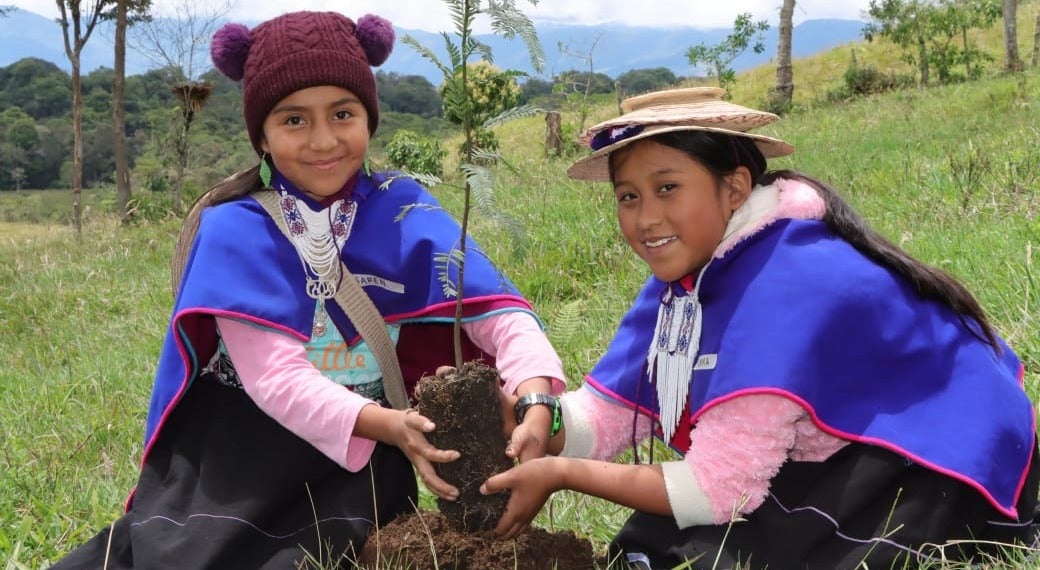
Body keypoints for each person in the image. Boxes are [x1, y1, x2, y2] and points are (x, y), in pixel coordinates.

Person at [51, 9, 565, 569]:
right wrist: (393, 426)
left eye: (343, 114)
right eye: (294, 120)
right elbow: (274, 378)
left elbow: (503, 316)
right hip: (238, 452)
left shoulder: (406, 209)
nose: (324, 140)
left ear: (368, 119)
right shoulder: (235, 229)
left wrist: (538, 398)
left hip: (360, 461)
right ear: (262, 137)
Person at [481, 87, 1040, 570]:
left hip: (930, 455)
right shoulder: (689, 277)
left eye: (668, 187)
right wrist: (540, 419)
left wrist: (561, 474)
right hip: (828, 449)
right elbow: (613, 410)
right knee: (653, 546)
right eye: (628, 196)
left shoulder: (784, 283)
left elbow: (721, 491)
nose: (645, 217)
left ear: (734, 187)